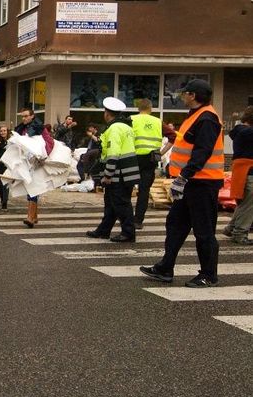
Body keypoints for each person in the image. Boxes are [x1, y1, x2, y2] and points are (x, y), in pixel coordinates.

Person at [140, 79, 225, 288]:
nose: (182, 96)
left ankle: (208, 274)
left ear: (193, 95)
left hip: (203, 183)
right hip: (190, 183)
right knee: (175, 224)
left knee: (204, 231)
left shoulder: (207, 118)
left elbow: (202, 152)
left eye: (184, 93)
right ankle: (165, 267)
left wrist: (184, 176)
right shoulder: (195, 116)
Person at [86, 97, 139, 242]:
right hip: (126, 171)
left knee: (121, 204)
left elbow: (113, 153)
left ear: (107, 113)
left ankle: (128, 233)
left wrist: (108, 174)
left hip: (118, 173)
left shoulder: (114, 128)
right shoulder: (126, 127)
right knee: (111, 203)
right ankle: (103, 230)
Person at [131, 98, 176, 229]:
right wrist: (161, 153)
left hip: (133, 158)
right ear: (150, 109)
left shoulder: (131, 119)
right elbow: (173, 136)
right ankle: (138, 221)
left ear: (138, 108)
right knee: (144, 190)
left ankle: (126, 217)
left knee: (126, 188)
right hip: (151, 159)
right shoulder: (157, 122)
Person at [16, 108, 53, 228]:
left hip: (38, 161)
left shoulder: (39, 128)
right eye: (22, 116)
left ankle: (30, 217)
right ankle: (34, 216)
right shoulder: (23, 128)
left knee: (33, 188)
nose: (24, 118)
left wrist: (42, 156)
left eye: (26, 116)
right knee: (31, 188)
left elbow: (49, 142)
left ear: (32, 116)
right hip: (27, 161)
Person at [223, 106, 253, 245]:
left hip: (241, 171)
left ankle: (231, 228)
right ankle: (240, 233)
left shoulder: (239, 131)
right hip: (250, 172)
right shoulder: (249, 132)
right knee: (249, 205)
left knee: (243, 203)